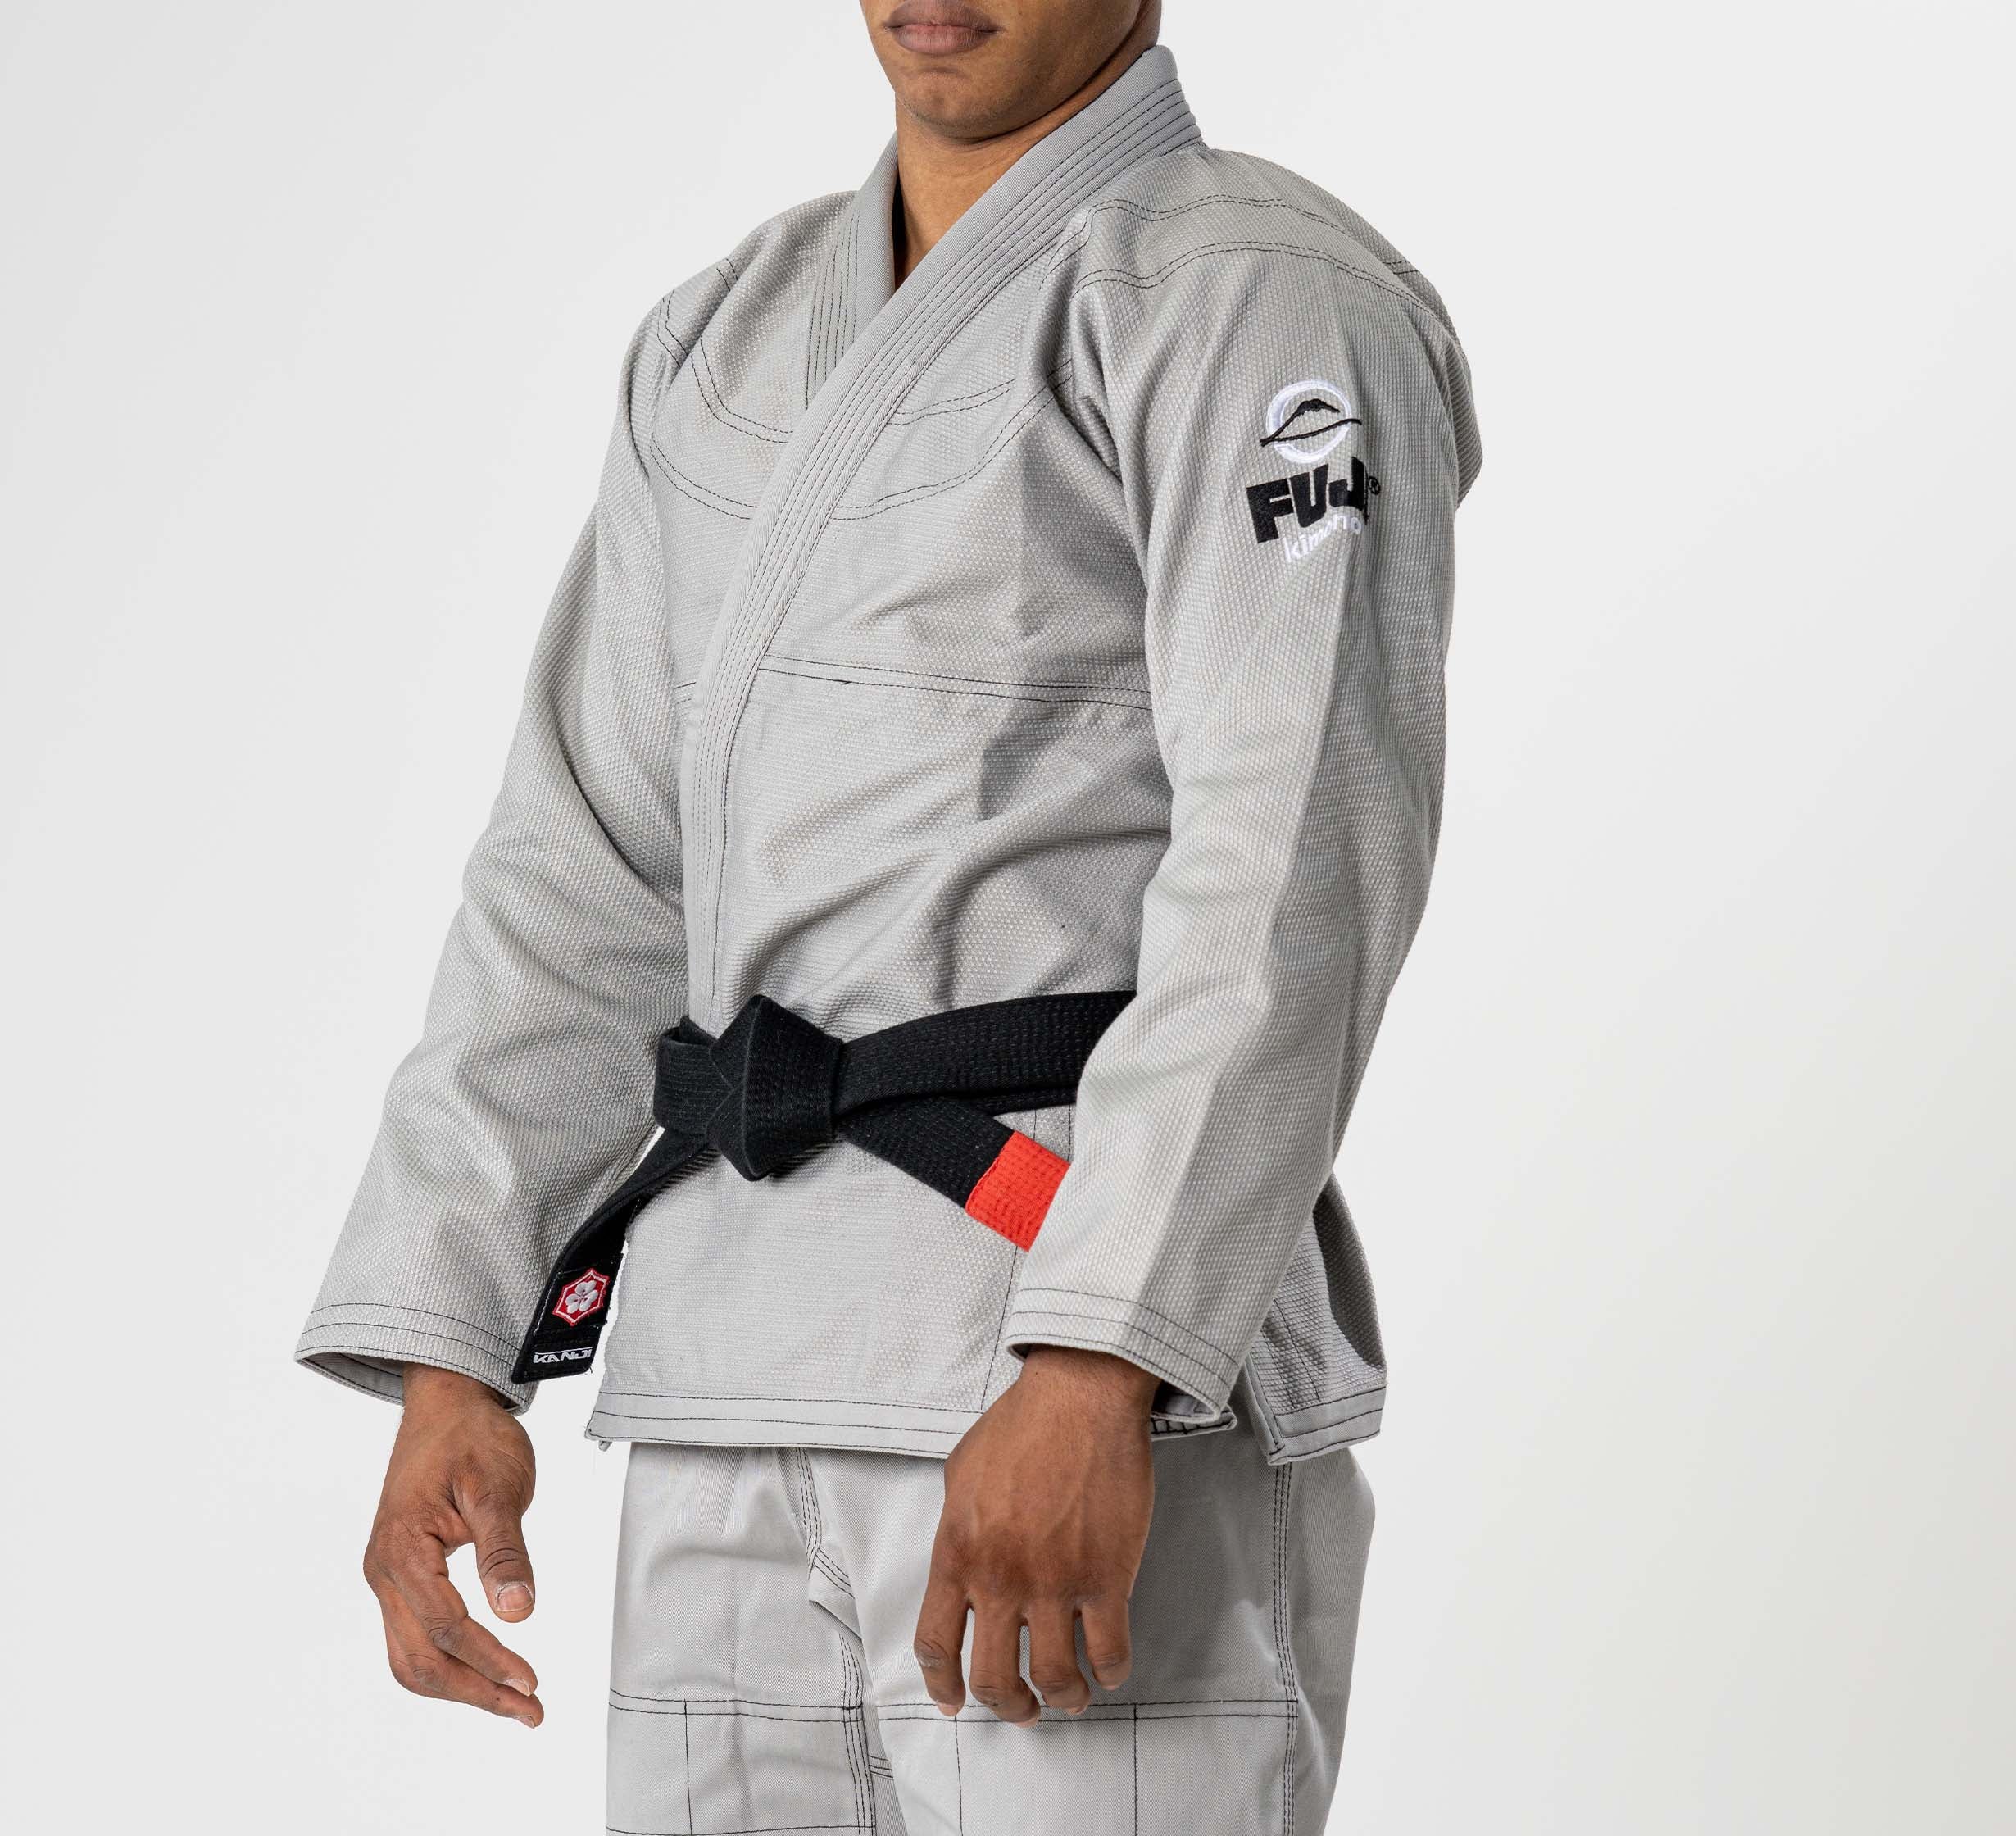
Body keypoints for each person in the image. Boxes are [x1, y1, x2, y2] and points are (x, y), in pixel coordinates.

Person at [297, 2, 1481, 1829]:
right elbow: (586, 864)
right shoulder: (722, 339)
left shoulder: (1251, 296)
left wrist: (1107, 1351)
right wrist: (455, 1336)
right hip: (720, 1372)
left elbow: (1296, 864)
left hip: (1056, 1347)